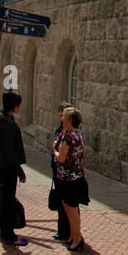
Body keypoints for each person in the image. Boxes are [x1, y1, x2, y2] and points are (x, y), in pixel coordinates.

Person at [0, 92, 28, 247]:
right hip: (8, 168)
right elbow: (10, 152)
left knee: (7, 199)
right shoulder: (6, 125)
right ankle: (8, 234)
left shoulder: (5, 121)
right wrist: (20, 172)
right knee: (7, 201)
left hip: (4, 166)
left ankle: (7, 232)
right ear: (14, 105)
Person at [53, 106, 89, 252]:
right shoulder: (78, 133)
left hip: (69, 179)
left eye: (64, 117)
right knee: (69, 208)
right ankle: (73, 236)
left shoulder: (68, 136)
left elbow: (61, 158)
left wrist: (54, 150)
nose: (62, 119)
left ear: (69, 120)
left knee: (72, 210)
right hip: (75, 177)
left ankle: (77, 238)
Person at [49, 103, 72, 241]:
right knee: (60, 203)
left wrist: (55, 150)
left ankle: (70, 232)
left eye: (62, 113)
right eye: (60, 113)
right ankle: (62, 231)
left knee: (69, 204)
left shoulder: (71, 133)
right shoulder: (59, 129)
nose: (60, 116)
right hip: (57, 170)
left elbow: (63, 154)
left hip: (66, 172)